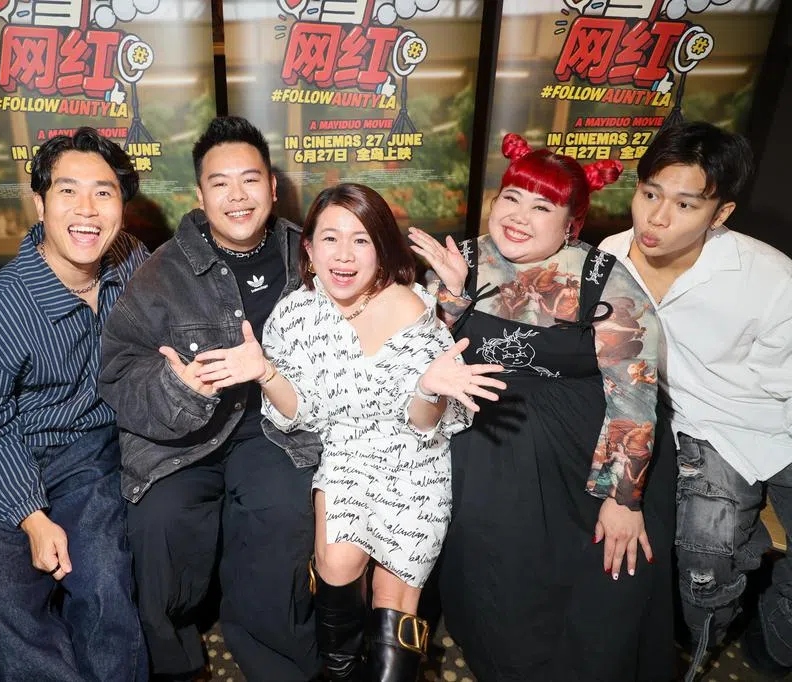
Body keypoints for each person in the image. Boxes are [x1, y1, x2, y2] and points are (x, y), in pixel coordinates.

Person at [193, 182, 505, 682]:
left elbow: (425, 425)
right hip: (346, 454)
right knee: (337, 564)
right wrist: (266, 373)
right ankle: (340, 670)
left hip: (415, 463)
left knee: (393, 594)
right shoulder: (295, 315)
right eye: (330, 238)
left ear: (381, 249)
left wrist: (427, 389)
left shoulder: (412, 307)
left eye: (361, 240)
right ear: (309, 248)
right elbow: (300, 413)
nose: (344, 255)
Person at [411, 133, 676, 681]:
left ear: (571, 224)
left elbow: (633, 391)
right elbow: (420, 364)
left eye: (542, 207)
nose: (518, 217)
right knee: (491, 563)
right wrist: (452, 299)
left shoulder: (603, 279)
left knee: (612, 572)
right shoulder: (462, 260)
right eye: (511, 197)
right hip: (484, 438)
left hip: (588, 450)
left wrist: (621, 498)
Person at [98, 116, 320, 681]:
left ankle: (279, 666)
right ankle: (174, 664)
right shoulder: (161, 272)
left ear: (273, 186)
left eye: (250, 179)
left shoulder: (309, 255)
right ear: (200, 195)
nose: (237, 196)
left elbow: (369, 309)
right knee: (160, 522)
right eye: (220, 183)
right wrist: (179, 388)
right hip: (183, 438)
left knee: (281, 514)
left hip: (274, 430)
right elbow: (119, 371)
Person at [0, 127, 147, 681]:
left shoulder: (130, 261)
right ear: (39, 202)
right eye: (67, 191)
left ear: (122, 206)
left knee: (104, 583)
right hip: (1, 461)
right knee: (1, 607)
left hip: (87, 456)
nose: (87, 210)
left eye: (103, 193)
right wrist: (32, 518)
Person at [599, 120, 792, 680]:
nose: (656, 218)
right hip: (701, 427)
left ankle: (776, 631)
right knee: (707, 562)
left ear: (720, 213)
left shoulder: (770, 277)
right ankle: (720, 639)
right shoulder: (611, 256)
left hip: (776, 419)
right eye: (649, 194)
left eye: (685, 204)